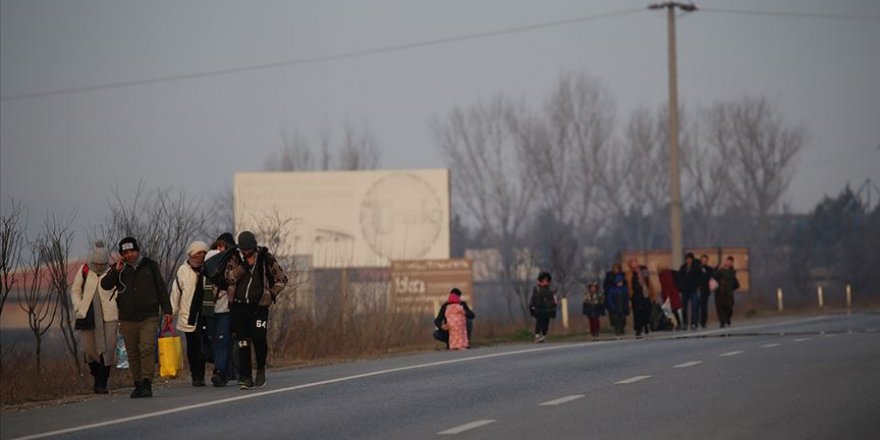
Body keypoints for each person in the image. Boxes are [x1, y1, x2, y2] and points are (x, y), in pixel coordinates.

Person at [101, 237, 173, 398]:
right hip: (127, 318)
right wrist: (116, 271)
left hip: (149, 316)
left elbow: (161, 288)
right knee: (132, 352)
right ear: (121, 254)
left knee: (146, 348)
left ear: (138, 250)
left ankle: (147, 382)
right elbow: (105, 285)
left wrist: (167, 310)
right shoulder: (119, 269)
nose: (130, 255)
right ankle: (138, 383)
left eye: (132, 251)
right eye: (125, 252)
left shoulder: (150, 265)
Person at [225, 231, 288, 390]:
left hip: (259, 306)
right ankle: (245, 377)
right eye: (244, 250)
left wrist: (271, 294)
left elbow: (282, 278)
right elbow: (229, 277)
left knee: (259, 339)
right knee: (243, 341)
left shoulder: (265, 257)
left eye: (249, 250)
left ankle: (261, 368)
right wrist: (245, 266)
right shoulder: (235, 258)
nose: (247, 253)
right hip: (239, 306)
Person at [71, 241, 118, 394]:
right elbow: (75, 291)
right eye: (96, 263)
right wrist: (79, 306)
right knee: (90, 350)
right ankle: (96, 374)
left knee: (108, 350)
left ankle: (102, 383)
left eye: (102, 263)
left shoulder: (112, 271)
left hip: (109, 315)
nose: (99, 266)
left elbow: (119, 291)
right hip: (88, 315)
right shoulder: (84, 270)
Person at [170, 240, 210, 387]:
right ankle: (196, 375)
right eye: (198, 253)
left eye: (204, 253)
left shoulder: (208, 269)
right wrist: (172, 311)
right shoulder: (183, 271)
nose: (201, 256)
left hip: (205, 314)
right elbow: (176, 292)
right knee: (193, 347)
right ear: (191, 254)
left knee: (203, 346)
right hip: (188, 316)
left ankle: (204, 373)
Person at [206, 232, 236, 387]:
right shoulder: (210, 259)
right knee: (216, 342)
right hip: (210, 309)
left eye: (224, 247)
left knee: (222, 341)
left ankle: (219, 371)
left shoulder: (234, 262)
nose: (220, 249)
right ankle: (222, 371)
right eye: (219, 246)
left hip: (225, 310)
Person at [712, 256, 740, 328]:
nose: (727, 263)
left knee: (729, 307)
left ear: (732, 263)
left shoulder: (732, 272)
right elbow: (714, 276)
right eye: (727, 261)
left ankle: (727, 318)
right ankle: (722, 322)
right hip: (719, 292)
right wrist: (718, 268)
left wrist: (732, 288)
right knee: (720, 308)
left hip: (729, 293)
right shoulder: (720, 270)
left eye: (730, 262)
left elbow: (736, 283)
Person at [626, 259, 653, 337]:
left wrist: (652, 294)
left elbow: (648, 282)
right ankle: (638, 329)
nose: (634, 264)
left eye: (635, 262)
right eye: (632, 263)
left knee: (646, 311)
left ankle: (645, 324)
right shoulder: (629, 274)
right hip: (635, 295)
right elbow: (629, 285)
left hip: (645, 294)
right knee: (637, 313)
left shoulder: (643, 270)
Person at [529, 272, 557, 343]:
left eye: (546, 279)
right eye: (544, 279)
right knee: (539, 322)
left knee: (546, 324)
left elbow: (554, 300)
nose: (545, 280)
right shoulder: (537, 288)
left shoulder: (550, 289)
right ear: (541, 280)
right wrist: (532, 306)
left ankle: (543, 336)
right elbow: (533, 298)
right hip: (539, 309)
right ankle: (537, 336)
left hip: (548, 309)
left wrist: (553, 306)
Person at [603, 264, 629, 336]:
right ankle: (617, 329)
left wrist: (627, 305)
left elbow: (626, 298)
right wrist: (611, 305)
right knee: (615, 318)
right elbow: (609, 297)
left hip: (622, 306)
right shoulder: (612, 289)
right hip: (615, 306)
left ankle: (622, 328)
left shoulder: (624, 289)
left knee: (623, 318)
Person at [697, 254, 714, 328]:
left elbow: (710, 277)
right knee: (697, 307)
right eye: (703, 260)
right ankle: (695, 322)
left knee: (704, 307)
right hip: (698, 290)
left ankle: (703, 322)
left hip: (705, 290)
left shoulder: (709, 269)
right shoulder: (697, 268)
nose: (704, 261)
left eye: (705, 260)